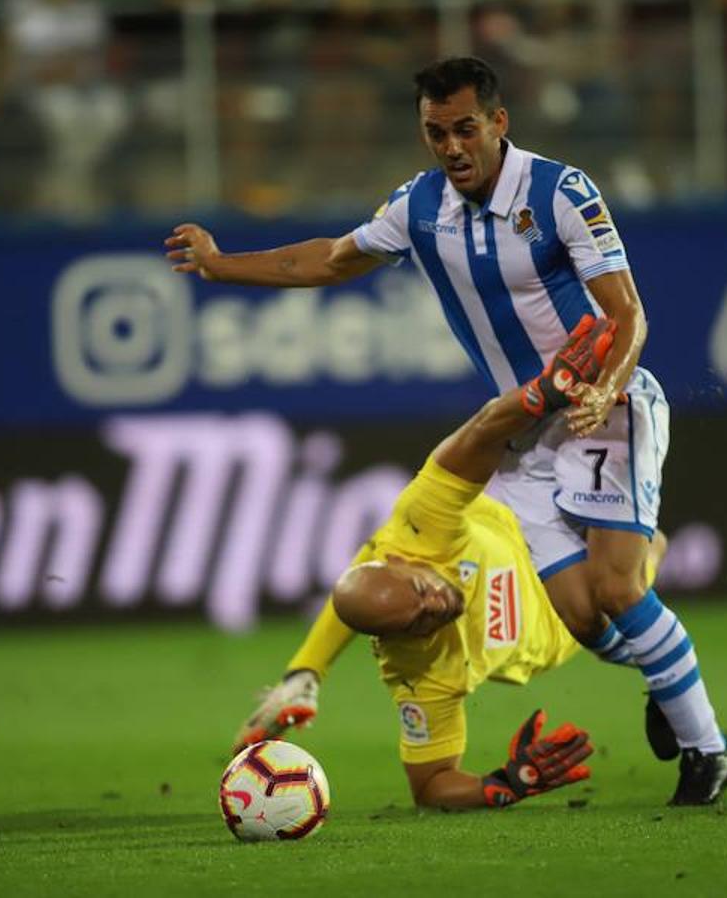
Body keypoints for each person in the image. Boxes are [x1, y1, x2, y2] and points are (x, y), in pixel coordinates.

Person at [168, 56, 727, 804]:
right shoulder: (419, 207)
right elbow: (332, 259)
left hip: (606, 402)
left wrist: (601, 389)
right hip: (527, 435)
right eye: (435, 132)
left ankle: (708, 752)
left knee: (614, 585)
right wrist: (221, 267)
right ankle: (669, 685)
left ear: (498, 123)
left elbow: (628, 314)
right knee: (581, 617)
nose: (451, 147)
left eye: (465, 128)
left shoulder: (560, 192)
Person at [293, 316, 699, 809]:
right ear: (393, 641)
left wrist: (545, 392)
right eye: (418, 623)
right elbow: (430, 787)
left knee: (621, 565)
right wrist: (509, 782)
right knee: (637, 568)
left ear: (404, 561)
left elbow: (482, 433)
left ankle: (668, 680)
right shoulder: (417, 672)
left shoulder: (418, 530)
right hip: (558, 630)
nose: (436, 607)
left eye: (422, 591)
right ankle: (661, 670)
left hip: (532, 518)